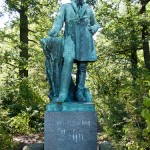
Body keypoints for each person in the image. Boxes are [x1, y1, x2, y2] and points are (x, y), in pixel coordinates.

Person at [48, 0, 99, 102]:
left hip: (84, 39)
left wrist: (93, 28)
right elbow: (59, 20)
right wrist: (54, 31)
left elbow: (96, 24)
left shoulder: (88, 9)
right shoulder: (66, 7)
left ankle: (79, 92)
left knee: (82, 66)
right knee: (68, 59)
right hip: (70, 38)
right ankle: (63, 93)